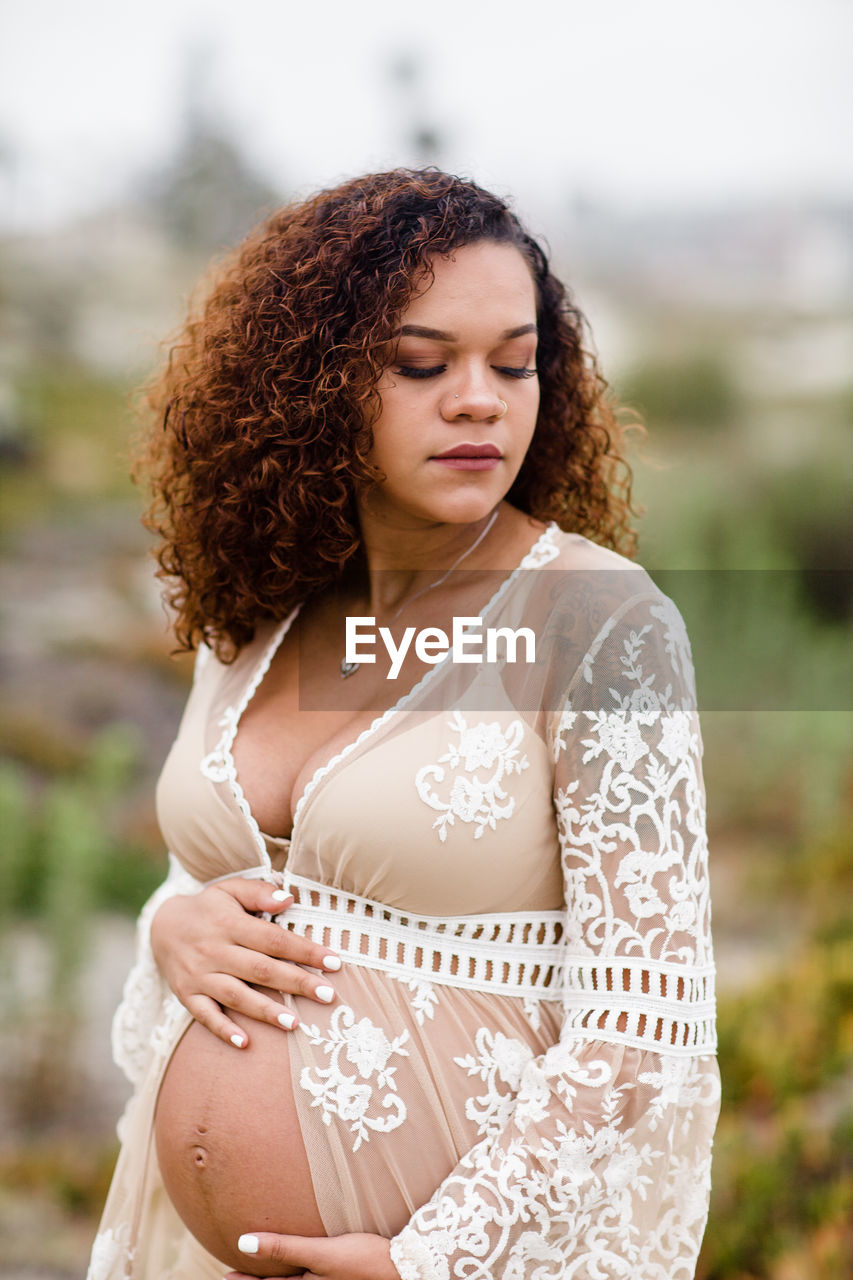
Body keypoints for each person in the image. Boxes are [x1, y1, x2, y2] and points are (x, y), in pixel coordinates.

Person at [87, 168, 719, 1280]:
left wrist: (436, 1257)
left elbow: (643, 1020)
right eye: (422, 363)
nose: (479, 399)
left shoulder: (599, 623)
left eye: (515, 363)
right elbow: (235, 881)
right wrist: (171, 929)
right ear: (311, 383)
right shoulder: (258, 611)